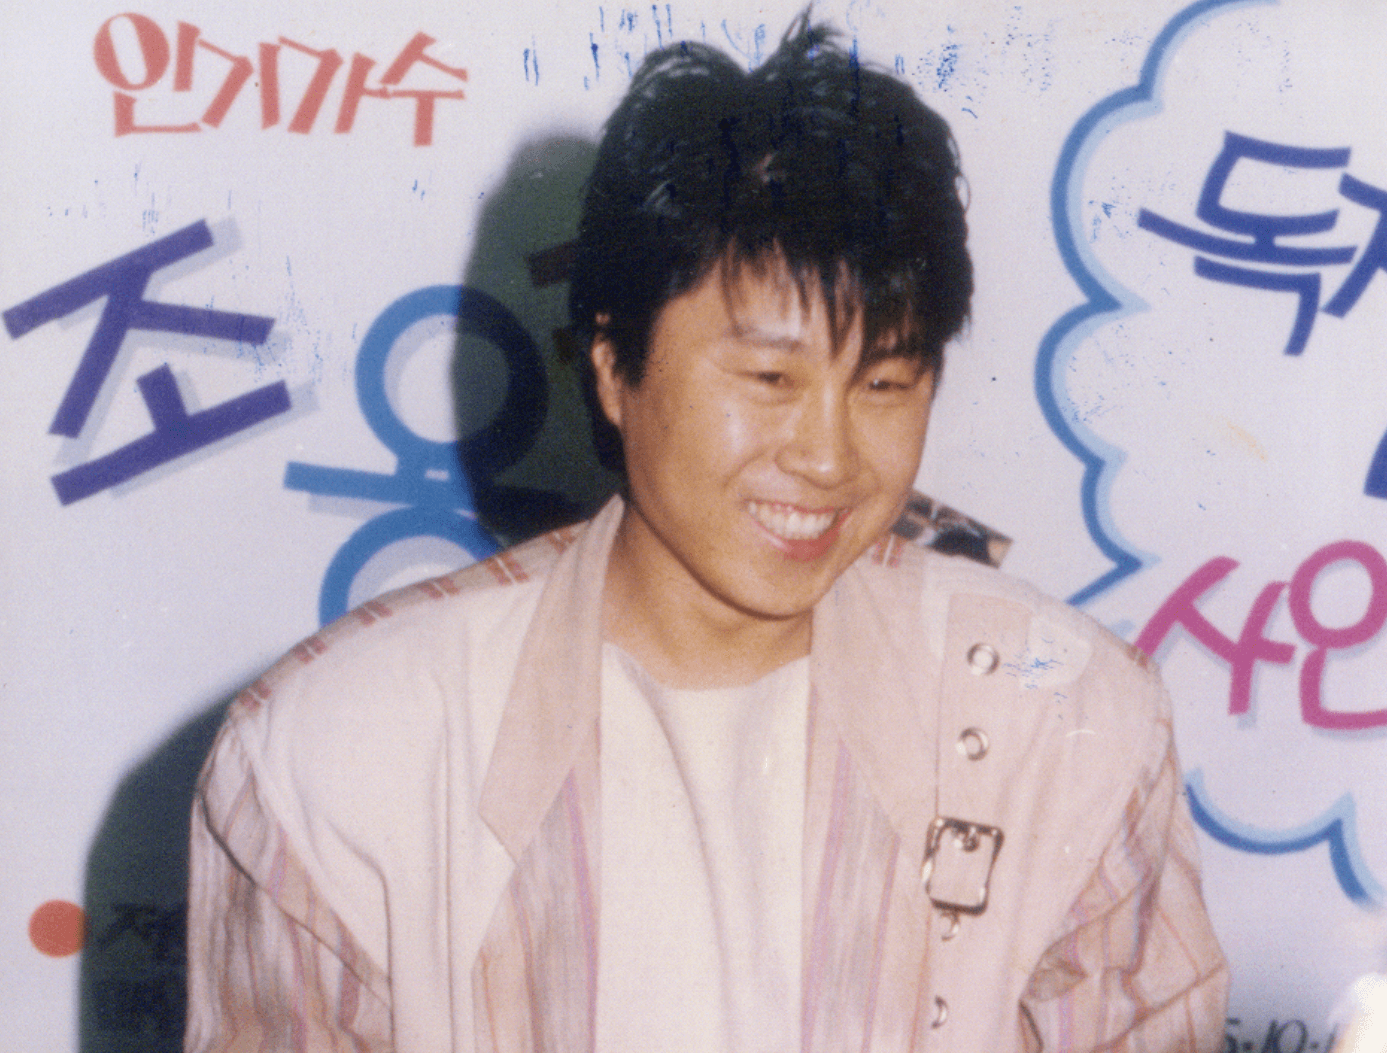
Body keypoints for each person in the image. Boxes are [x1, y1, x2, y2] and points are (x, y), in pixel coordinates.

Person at [184, 16, 1228, 1053]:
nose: (828, 456)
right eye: (769, 377)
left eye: (883, 383)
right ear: (612, 366)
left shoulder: (1068, 726)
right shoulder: (333, 757)